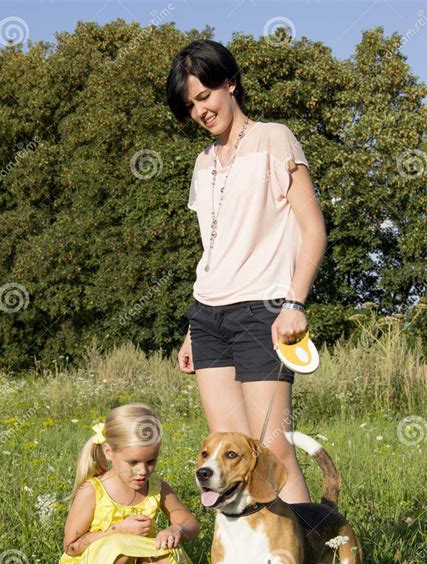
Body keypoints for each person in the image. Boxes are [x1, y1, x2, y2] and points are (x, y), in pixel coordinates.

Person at [166, 40, 328, 504]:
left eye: (204, 96)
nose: (200, 111)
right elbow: (213, 251)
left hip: (265, 312)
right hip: (208, 316)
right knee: (227, 453)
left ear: (230, 83)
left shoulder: (274, 138)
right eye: (189, 105)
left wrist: (295, 303)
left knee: (271, 449)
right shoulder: (202, 164)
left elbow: (313, 230)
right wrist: (193, 330)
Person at [59, 403, 199, 564]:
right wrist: (117, 530)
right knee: (120, 550)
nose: (142, 471)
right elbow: (71, 547)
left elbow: (191, 524)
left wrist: (176, 529)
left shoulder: (158, 488)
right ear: (108, 451)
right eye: (132, 463)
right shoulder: (92, 491)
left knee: (168, 558)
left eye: (151, 461)